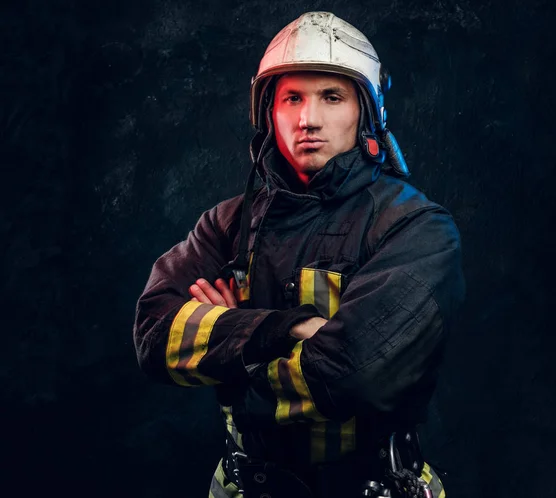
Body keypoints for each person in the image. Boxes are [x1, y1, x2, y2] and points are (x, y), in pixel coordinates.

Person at [133, 11, 465, 498]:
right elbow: (152, 337)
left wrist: (229, 340)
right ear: (269, 111)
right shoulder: (225, 224)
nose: (308, 119)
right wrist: (285, 328)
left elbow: (354, 377)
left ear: (366, 112)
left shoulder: (417, 229)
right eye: (292, 98)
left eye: (332, 97)